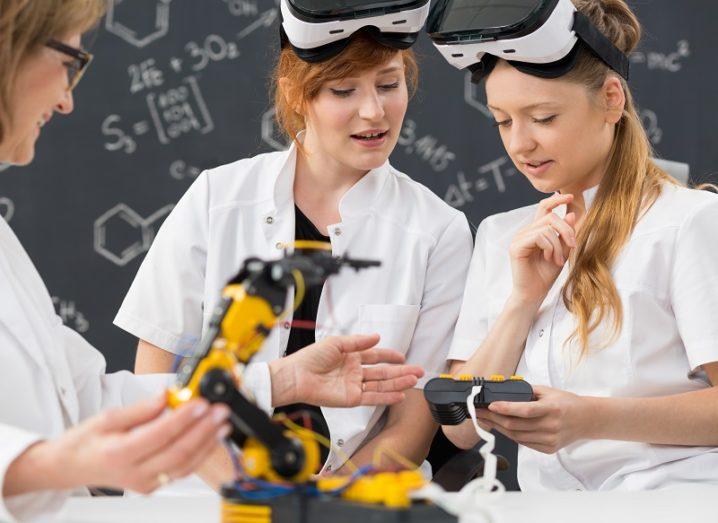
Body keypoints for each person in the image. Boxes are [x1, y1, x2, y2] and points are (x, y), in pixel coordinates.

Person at [0, 1, 424, 519]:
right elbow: (126, 381)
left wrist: (279, 382)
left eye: (388, 84)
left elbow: (92, 394)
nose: (67, 99)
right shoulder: (218, 195)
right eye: (69, 59)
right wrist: (48, 465)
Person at [114, 7, 473, 480]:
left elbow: (409, 429)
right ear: (296, 95)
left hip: (350, 502)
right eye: (344, 90)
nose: (374, 111)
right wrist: (245, 494)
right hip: (202, 490)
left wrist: (317, 508)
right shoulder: (216, 198)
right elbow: (155, 375)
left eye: (389, 85)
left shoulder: (438, 231)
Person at [437, 0, 718, 490]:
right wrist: (523, 300)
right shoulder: (503, 236)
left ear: (612, 99)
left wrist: (591, 419)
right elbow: (459, 427)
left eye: (543, 117)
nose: (519, 144)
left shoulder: (687, 223)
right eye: (503, 120)